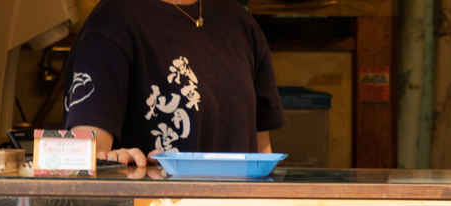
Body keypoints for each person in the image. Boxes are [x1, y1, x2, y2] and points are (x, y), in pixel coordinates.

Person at [62, 0, 287, 166]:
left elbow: (261, 153)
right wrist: (117, 159)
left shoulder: (240, 22)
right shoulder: (109, 26)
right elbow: (82, 159)